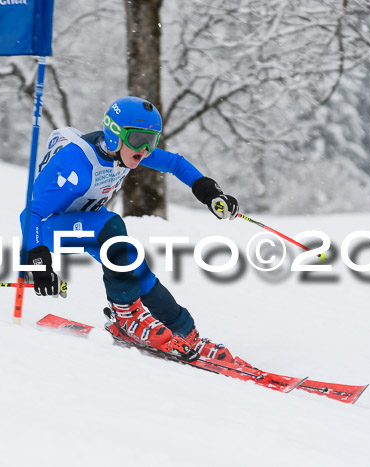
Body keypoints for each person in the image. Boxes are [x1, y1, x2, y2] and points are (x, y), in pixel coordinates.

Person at [21, 96, 241, 362]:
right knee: (112, 225)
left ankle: (185, 333)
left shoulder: (124, 152)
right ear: (114, 134)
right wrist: (39, 262)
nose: (145, 150)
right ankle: (126, 317)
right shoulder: (75, 164)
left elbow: (175, 164)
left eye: (152, 141)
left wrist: (210, 193)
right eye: (139, 140)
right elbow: (31, 212)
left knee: (137, 268)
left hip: (92, 226)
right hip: (48, 230)